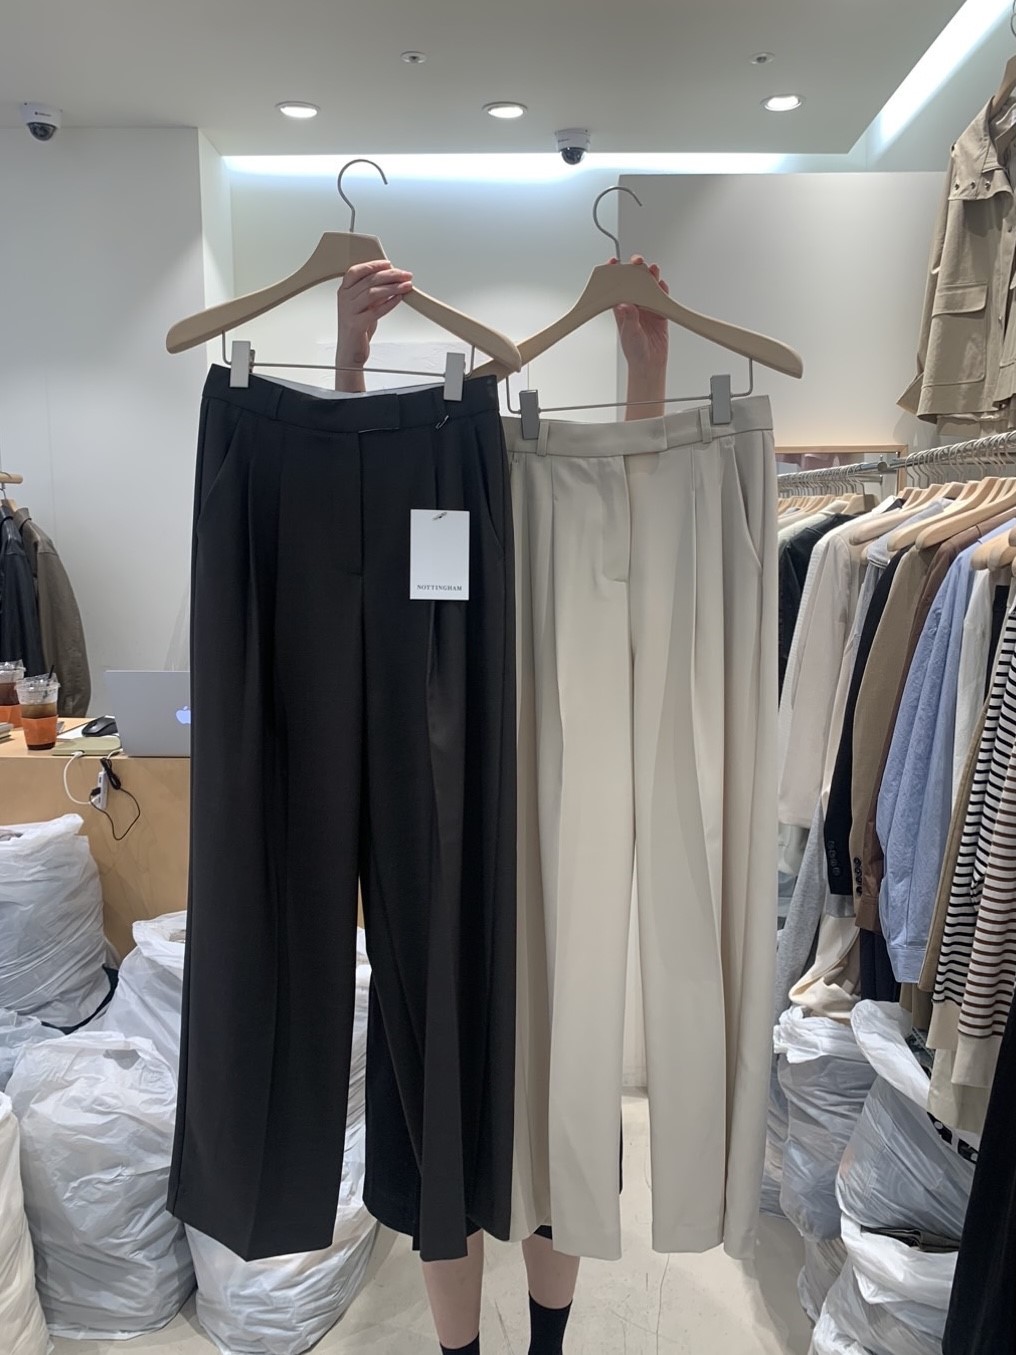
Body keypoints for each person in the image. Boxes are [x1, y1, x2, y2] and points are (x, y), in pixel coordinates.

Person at [334, 255, 671, 1355]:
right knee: (438, 1109)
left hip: (560, 836)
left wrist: (643, 382)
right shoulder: (422, 476)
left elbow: (635, 534)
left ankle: (543, 1352)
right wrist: (350, 362)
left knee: (557, 1111)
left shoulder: (570, 489)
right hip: (428, 840)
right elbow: (346, 513)